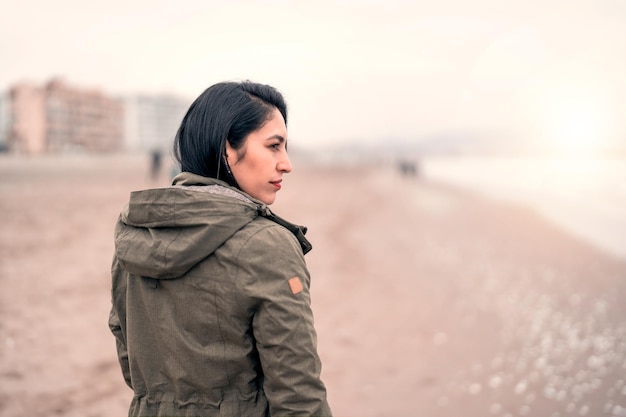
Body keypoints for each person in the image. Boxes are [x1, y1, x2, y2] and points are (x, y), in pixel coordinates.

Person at [108, 80, 332, 416]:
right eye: (274, 146)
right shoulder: (266, 244)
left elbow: (128, 352)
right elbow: (298, 392)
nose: (286, 163)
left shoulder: (137, 232)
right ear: (229, 147)